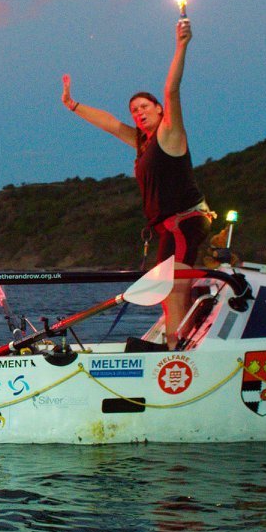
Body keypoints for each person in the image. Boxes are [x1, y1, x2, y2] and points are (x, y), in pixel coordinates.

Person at [62, 18, 209, 348]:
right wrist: (73, 105)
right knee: (168, 292)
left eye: (144, 107)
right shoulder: (144, 144)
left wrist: (182, 45)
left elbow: (172, 89)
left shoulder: (170, 134)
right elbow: (112, 125)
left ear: (158, 109)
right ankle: (179, 346)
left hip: (184, 223)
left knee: (173, 290)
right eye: (134, 110)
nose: (138, 112)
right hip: (167, 229)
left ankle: (177, 356)